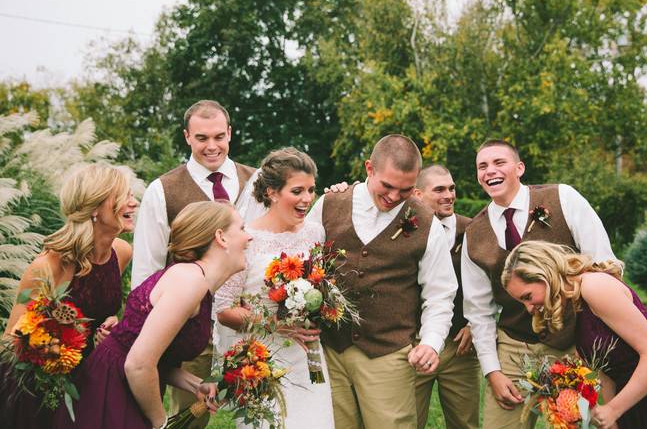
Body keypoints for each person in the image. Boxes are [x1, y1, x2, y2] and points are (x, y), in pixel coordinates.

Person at [461, 139, 617, 428]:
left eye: (499, 162)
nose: (489, 171)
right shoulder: (475, 233)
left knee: (574, 425)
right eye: (482, 166)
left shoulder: (563, 198)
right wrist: (492, 372)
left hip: (572, 346)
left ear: (519, 168)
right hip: (513, 348)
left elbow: (604, 265)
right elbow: (478, 312)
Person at [55, 201, 251, 428]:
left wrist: (194, 383)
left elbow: (149, 355)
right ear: (221, 237)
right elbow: (137, 364)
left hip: (128, 384)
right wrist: (161, 423)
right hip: (113, 389)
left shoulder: (197, 281)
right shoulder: (189, 281)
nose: (249, 237)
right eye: (242, 229)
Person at [307, 134, 457, 429]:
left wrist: (431, 343)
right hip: (330, 349)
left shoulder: (426, 222)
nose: (393, 197)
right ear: (369, 169)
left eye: (404, 190)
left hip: (388, 352)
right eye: (387, 186)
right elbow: (303, 264)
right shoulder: (329, 203)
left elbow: (440, 293)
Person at [131, 99, 261, 427]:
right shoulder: (162, 191)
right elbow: (148, 272)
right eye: (202, 138)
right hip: (189, 331)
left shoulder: (258, 182)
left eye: (219, 136)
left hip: (249, 322)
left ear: (230, 133)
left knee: (263, 415)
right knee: (189, 419)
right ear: (187, 136)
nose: (212, 146)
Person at [501, 241, 647, 429]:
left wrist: (613, 410)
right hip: (632, 402)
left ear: (544, 275)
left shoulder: (595, 287)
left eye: (527, 297)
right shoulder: (575, 301)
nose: (529, 308)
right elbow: (606, 373)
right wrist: (614, 421)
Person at [0, 163, 137, 429]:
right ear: (95, 208)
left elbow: (100, 307)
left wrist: (111, 324)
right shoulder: (48, 266)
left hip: (92, 380)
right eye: (124, 196)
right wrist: (57, 348)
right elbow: (11, 341)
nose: (133, 202)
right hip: (41, 391)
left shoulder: (121, 252)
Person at [214, 147, 334, 428]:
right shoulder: (247, 239)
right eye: (297, 191)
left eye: (311, 190)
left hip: (310, 356)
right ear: (272, 192)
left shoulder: (315, 232)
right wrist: (276, 324)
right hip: (263, 358)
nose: (306, 199)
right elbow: (224, 310)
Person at [412, 164, 481, 429]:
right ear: (418, 194)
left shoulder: (473, 229)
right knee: (408, 421)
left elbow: (495, 280)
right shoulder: (405, 230)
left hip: (459, 346)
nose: (449, 195)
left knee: (466, 423)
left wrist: (475, 324)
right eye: (439, 189)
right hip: (414, 345)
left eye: (451, 188)